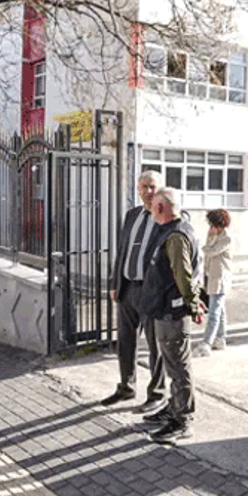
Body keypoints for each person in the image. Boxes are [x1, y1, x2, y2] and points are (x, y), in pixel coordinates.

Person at [139, 187, 205, 443]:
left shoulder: (176, 236)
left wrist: (194, 305)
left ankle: (182, 420)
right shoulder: (173, 230)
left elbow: (184, 276)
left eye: (153, 206)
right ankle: (174, 407)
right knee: (172, 364)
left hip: (173, 313)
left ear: (160, 207)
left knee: (178, 367)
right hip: (164, 310)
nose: (150, 210)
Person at [104, 171, 166, 413]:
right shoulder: (132, 215)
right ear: (138, 189)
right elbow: (121, 252)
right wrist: (114, 283)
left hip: (152, 292)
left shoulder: (167, 216)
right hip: (128, 288)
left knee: (155, 345)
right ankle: (126, 387)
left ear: (160, 189)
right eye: (144, 187)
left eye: (152, 187)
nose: (148, 191)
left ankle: (157, 393)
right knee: (125, 341)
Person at [194, 208, 231, 356]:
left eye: (212, 224)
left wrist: (205, 244)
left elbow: (211, 251)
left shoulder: (226, 238)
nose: (210, 227)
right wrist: (210, 238)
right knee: (220, 310)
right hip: (212, 277)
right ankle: (220, 338)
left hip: (220, 279)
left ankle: (207, 343)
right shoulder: (215, 235)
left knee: (214, 312)